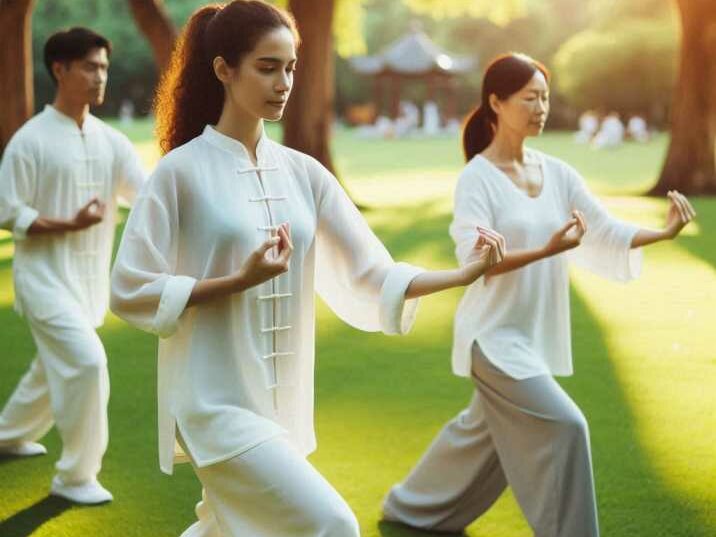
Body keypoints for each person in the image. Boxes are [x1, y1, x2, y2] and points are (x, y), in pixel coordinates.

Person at [108, 2, 505, 536]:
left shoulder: (305, 174)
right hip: (211, 401)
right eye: (267, 67)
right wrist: (235, 282)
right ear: (224, 69)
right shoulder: (179, 174)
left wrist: (462, 274)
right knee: (333, 524)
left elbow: (372, 273)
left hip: (280, 405)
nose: (284, 82)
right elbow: (129, 288)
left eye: (291, 67)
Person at [382, 53, 696, 537]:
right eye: (530, 98)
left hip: (529, 337)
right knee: (567, 427)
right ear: (496, 102)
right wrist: (546, 249)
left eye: (545, 97)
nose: (541, 107)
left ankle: (412, 508)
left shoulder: (560, 173)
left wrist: (663, 233)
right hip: (491, 337)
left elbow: (605, 230)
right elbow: (475, 261)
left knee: (481, 438)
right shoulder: (477, 179)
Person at [0, 27, 146, 504]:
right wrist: (68, 224)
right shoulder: (30, 141)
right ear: (59, 69)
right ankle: (75, 477)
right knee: (85, 363)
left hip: (87, 287)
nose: (100, 76)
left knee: (51, 369)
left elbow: (148, 198)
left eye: (104, 67)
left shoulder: (112, 141)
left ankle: (5, 434)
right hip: (42, 282)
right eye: (90, 66)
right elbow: (8, 211)